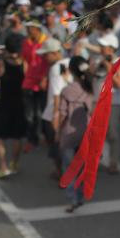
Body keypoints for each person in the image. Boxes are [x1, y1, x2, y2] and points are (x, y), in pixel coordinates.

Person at [57, 56, 93, 213]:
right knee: (83, 166)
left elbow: (63, 114)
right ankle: (81, 195)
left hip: (70, 132)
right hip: (86, 132)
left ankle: (72, 199)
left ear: (70, 70)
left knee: (70, 167)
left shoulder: (66, 90)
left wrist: (57, 132)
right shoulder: (90, 88)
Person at [0, 34, 26, 179]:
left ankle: (3, 166)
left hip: (4, 103)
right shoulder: (24, 63)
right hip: (20, 103)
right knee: (17, 136)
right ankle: (14, 163)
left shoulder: (1, 64)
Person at [91, 32, 120, 174]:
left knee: (112, 134)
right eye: (100, 45)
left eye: (103, 46)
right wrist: (98, 64)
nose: (100, 48)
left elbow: (119, 83)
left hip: (113, 103)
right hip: (96, 101)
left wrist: (109, 68)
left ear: (111, 48)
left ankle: (113, 162)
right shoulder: (96, 59)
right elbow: (89, 74)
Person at [39, 38, 70, 178]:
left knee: (56, 145)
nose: (44, 57)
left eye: (47, 54)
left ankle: (61, 173)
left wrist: (55, 116)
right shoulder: (69, 62)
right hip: (71, 110)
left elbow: (57, 94)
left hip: (55, 111)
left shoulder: (55, 68)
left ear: (55, 53)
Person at [21, 20, 49, 148]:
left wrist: (45, 78)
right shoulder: (26, 42)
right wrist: (25, 73)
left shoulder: (46, 41)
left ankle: (42, 135)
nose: (28, 31)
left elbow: (49, 62)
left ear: (37, 29)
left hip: (42, 82)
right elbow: (25, 60)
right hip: (29, 82)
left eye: (30, 28)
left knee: (40, 112)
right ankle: (31, 138)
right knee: (29, 114)